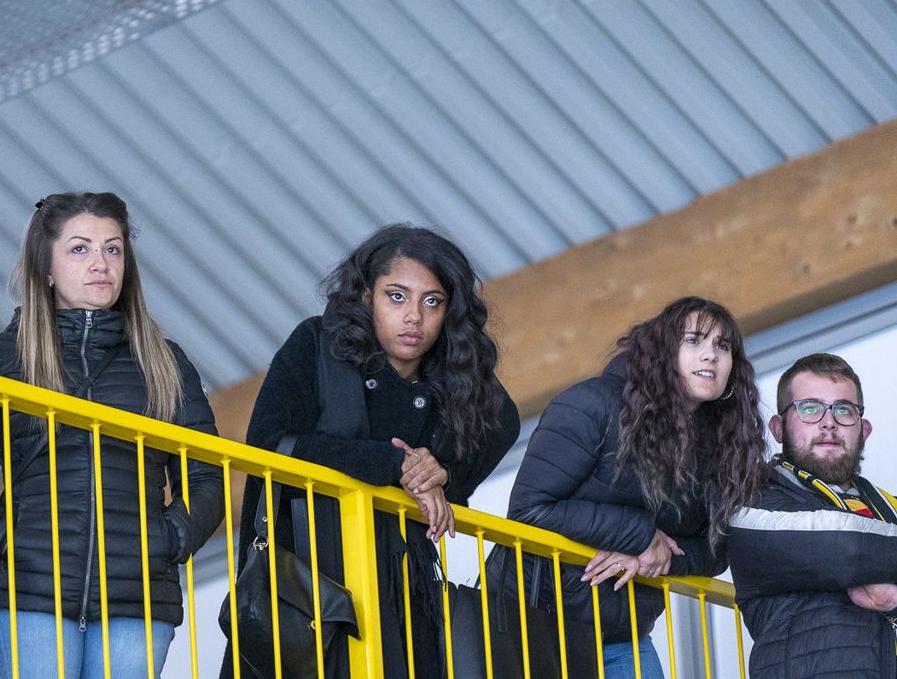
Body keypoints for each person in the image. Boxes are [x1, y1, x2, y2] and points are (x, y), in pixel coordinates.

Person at [0, 192, 224, 679]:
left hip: (138, 593)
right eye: (80, 248)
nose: (100, 263)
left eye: (113, 248)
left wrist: (166, 540)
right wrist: (7, 540)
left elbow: (206, 477)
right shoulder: (1, 356)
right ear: (46, 267)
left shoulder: (165, 361)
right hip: (28, 590)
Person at [220, 223, 521, 679]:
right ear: (366, 296)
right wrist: (392, 462)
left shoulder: (453, 380)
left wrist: (442, 474)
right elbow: (268, 445)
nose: (414, 316)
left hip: (402, 593)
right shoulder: (318, 344)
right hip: (305, 586)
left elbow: (503, 420)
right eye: (397, 296)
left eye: (432, 301)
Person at [495, 296, 766, 678]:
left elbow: (716, 547)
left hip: (623, 634)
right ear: (662, 350)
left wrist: (657, 558)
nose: (711, 355)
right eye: (693, 340)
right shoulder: (592, 404)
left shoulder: (721, 442)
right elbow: (529, 509)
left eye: (723, 346)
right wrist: (641, 536)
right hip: (529, 624)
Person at [726, 353, 897, 679]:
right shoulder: (753, 503)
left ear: (864, 430)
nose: (828, 422)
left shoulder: (888, 508)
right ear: (778, 428)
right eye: (809, 408)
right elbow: (849, 547)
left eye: (843, 410)